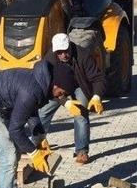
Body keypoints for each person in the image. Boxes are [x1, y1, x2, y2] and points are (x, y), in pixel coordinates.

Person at [0, 61, 78, 188]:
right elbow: (15, 130)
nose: (61, 97)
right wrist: (34, 153)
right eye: (62, 92)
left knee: (14, 154)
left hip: (2, 106)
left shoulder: (42, 83)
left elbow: (31, 111)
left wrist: (40, 138)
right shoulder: (32, 90)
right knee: (8, 155)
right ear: (55, 85)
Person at [38, 32, 106, 164]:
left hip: (79, 85)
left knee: (81, 114)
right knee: (43, 112)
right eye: (59, 52)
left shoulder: (84, 55)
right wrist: (65, 102)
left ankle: (81, 150)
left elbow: (98, 78)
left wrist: (97, 96)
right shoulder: (50, 59)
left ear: (70, 46)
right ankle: (37, 145)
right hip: (59, 88)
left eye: (65, 51)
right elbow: (48, 85)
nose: (63, 55)